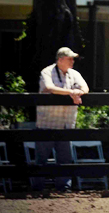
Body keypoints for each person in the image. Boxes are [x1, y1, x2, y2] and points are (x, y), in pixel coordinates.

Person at [31, 47, 89, 191]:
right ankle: (37, 189)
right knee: (41, 160)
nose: (73, 61)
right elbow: (50, 88)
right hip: (47, 124)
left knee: (65, 160)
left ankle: (64, 189)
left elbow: (85, 87)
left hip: (66, 124)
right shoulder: (47, 71)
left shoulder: (74, 73)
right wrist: (72, 92)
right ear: (60, 59)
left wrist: (79, 93)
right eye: (70, 58)